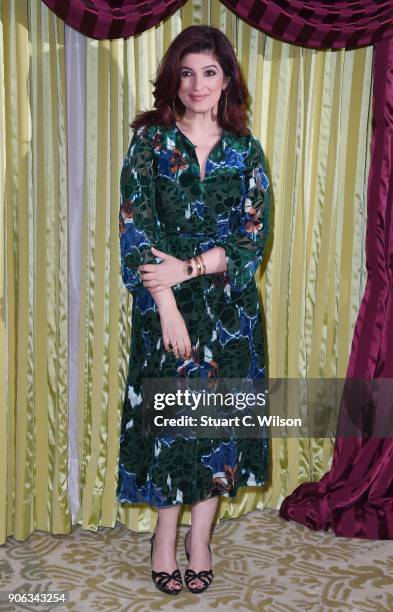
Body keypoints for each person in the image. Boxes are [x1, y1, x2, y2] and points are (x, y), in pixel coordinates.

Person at [116, 25, 271, 595]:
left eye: (209, 72)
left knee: (217, 430)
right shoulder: (150, 145)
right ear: (173, 80)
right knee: (174, 430)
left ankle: (199, 540)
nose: (198, 84)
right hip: (166, 310)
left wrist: (192, 268)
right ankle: (164, 539)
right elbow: (137, 232)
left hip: (231, 315)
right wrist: (168, 303)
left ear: (226, 79)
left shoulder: (245, 151)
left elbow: (253, 239)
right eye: (187, 72)